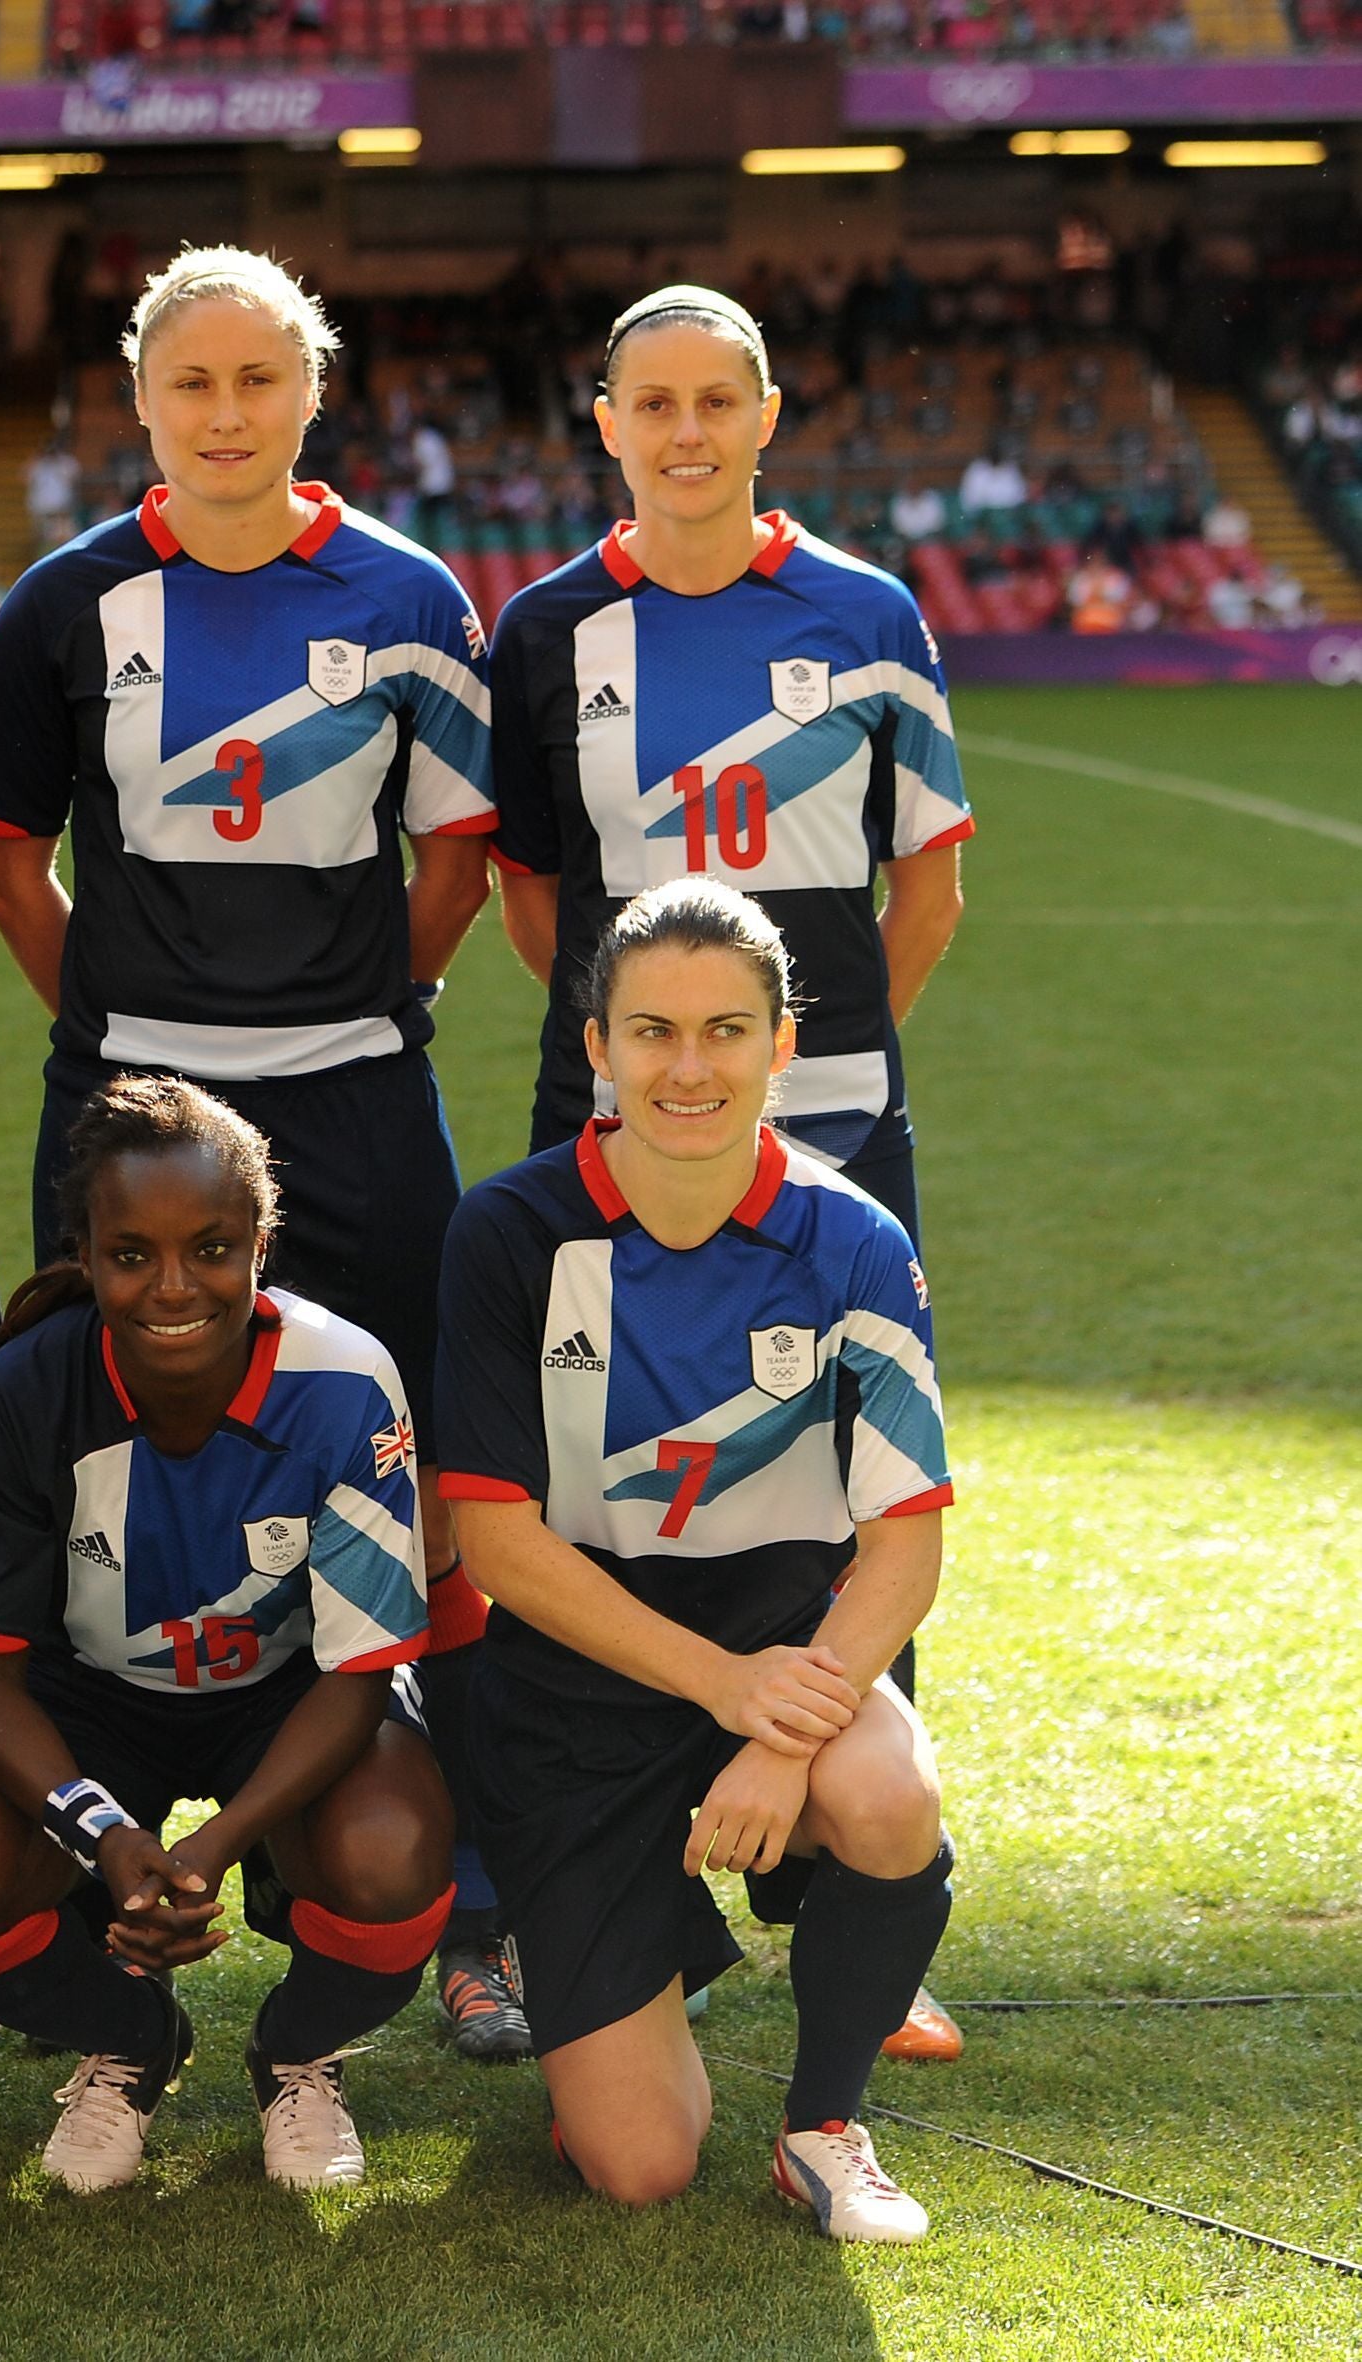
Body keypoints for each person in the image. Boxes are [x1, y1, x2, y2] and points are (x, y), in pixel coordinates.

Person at [0, 246, 515, 2057]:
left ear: (313, 390)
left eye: (260, 380)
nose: (226, 414)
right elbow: (6, 864)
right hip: (127, 1110)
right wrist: (130, 1035)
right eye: (192, 384)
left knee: (425, 1469)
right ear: (141, 398)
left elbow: (450, 859)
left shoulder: (410, 593)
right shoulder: (64, 602)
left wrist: (350, 1008)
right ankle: (89, 1867)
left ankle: (459, 1899)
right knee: (78, 1452)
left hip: (359, 1097)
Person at [485, 285, 971, 2061]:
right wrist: (661, 1084)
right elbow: (541, 902)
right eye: (651, 403)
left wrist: (788, 1079)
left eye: (718, 401)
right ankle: (609, 1871)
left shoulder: (868, 614)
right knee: (590, 1481)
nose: (685, 431)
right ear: (603, 419)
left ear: (768, 415)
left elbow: (927, 886)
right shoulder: (544, 629)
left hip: (833, 1121)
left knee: (855, 1494)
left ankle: (855, 1897)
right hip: (619, 1127)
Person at [434, 878, 955, 2243]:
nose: (689, 1065)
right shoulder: (511, 1231)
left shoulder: (854, 1241)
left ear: (784, 1046)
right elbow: (495, 1540)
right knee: (642, 2162)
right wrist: (723, 1689)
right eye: (652, 1030)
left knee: (889, 1792)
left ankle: (824, 2126)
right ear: (596, 1044)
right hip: (574, 1699)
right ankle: (635, 1954)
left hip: (790, 1668)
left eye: (727, 1030)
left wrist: (782, 1725)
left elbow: (907, 1545)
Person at [0, 1075, 450, 2192]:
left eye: (209, 1247)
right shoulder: (18, 1393)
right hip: (88, 1703)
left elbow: (356, 1677)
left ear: (259, 1241)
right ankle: (133, 2040)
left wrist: (218, 1844)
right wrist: (105, 1839)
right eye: (131, 1253)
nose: (171, 1286)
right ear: (86, 1252)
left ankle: (296, 2051)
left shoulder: (344, 1383)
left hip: (293, 1704)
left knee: (391, 1843)